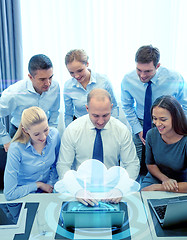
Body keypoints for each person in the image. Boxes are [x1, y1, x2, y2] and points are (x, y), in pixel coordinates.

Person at [56, 88, 140, 204]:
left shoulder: (121, 130)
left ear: (111, 107)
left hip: (112, 191)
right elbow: (63, 166)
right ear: (87, 108)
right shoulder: (72, 130)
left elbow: (132, 164)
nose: (101, 121)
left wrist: (120, 188)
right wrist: (76, 190)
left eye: (105, 115)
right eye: (95, 116)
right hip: (80, 190)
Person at [121, 45, 187, 172]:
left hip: (168, 123)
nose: (142, 75)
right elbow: (127, 106)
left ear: (157, 66)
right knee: (136, 163)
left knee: (163, 164)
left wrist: (176, 127)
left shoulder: (174, 78)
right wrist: (138, 129)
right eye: (139, 70)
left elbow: (184, 105)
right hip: (140, 122)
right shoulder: (128, 80)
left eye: (147, 71)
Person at [0, 54, 60, 152]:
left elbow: (54, 111)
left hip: (43, 133)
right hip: (20, 134)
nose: (48, 83)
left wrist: (50, 133)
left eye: (50, 77)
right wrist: (5, 139)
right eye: (42, 79)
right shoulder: (14, 92)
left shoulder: (55, 86)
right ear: (30, 77)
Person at [4, 106, 60, 201]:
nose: (43, 137)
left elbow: (56, 165)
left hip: (46, 193)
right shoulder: (16, 148)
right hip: (22, 195)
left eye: (46, 130)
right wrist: (38, 185)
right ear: (25, 131)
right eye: (36, 134)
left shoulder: (54, 135)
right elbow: (10, 194)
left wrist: (50, 185)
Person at [141, 95, 187, 192]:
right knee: (141, 198)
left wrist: (159, 187)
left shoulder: (185, 140)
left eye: (163, 119)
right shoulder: (151, 134)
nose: (157, 123)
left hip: (182, 183)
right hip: (157, 177)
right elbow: (150, 164)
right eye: (154, 118)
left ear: (175, 118)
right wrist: (165, 179)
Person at [63, 49, 119, 127]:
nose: (76, 76)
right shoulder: (68, 86)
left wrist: (111, 127)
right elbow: (68, 114)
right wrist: (69, 132)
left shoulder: (103, 81)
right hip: (80, 126)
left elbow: (114, 107)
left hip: (103, 123)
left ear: (87, 64)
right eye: (71, 72)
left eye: (80, 70)